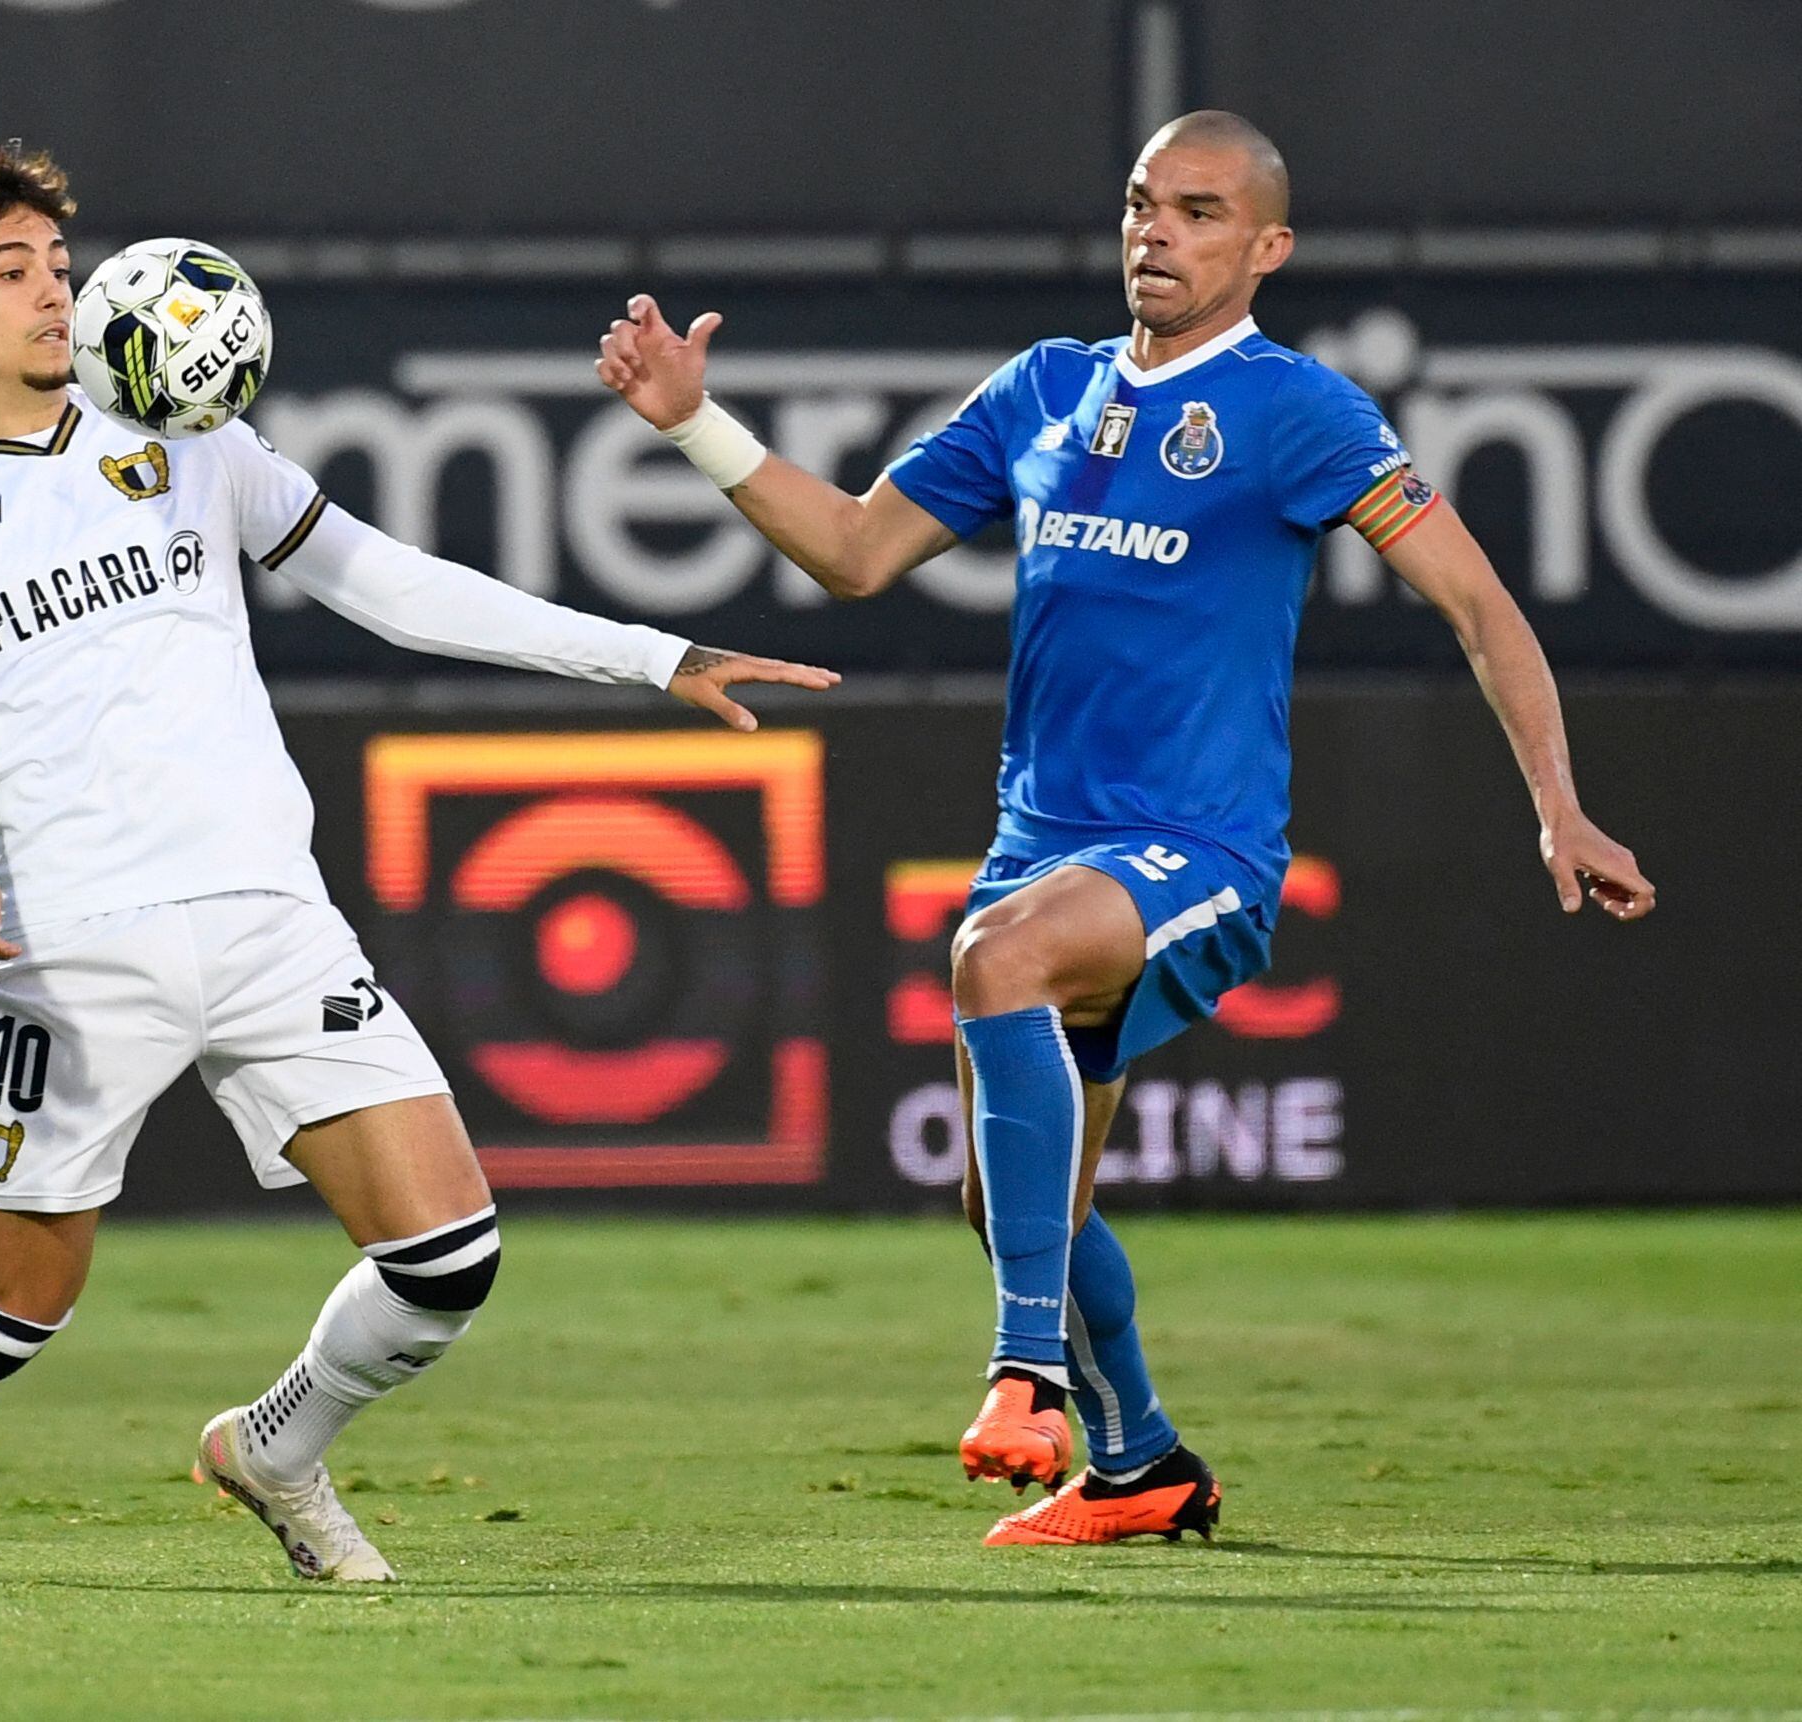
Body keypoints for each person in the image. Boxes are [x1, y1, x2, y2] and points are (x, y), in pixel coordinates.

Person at [0, 137, 836, 1584]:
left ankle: (275, 1443)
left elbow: (386, 583)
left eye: (57, 266)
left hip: (272, 915)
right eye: (9, 272)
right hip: (76, 940)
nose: (50, 295)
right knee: (12, 1311)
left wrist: (651, 655)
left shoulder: (187, 435)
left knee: (449, 1260)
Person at [596, 110, 1654, 1547]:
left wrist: (1559, 805)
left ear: (1267, 247)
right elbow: (852, 551)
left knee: (994, 954)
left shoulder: (1301, 413)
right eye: (1145, 204)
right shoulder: (1044, 388)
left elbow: (1480, 607)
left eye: (1200, 212)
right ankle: (1141, 1456)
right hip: (1049, 838)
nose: (1156, 232)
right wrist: (693, 427)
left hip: (1199, 853)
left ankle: (1020, 1372)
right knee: (1005, 1189)